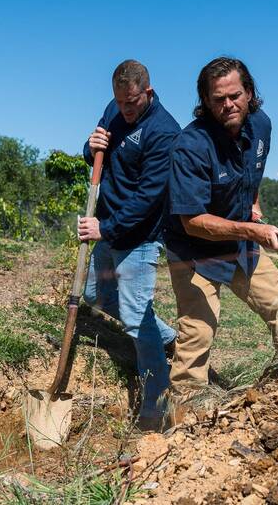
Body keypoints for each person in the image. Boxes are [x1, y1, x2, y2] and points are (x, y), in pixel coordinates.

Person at [164, 56, 278, 399]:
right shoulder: (190, 147)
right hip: (195, 252)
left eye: (235, 95)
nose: (228, 105)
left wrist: (253, 205)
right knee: (196, 336)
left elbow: (252, 173)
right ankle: (184, 420)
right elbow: (192, 222)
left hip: (241, 245)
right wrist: (252, 231)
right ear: (205, 102)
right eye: (218, 99)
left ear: (249, 92)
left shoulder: (262, 126)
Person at [78, 59, 180, 430]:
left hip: (139, 235)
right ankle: (169, 338)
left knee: (137, 320)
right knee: (95, 293)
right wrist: (90, 148)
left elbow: (149, 197)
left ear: (148, 92)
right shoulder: (114, 109)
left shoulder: (165, 132)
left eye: (132, 102)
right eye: (120, 102)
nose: (125, 109)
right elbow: (96, 156)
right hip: (107, 225)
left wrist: (106, 229)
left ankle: (157, 411)